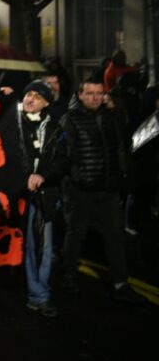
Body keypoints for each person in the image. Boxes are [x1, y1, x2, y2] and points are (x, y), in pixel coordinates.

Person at [59, 80, 144, 303]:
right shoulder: (70, 119)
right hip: (81, 190)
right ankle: (69, 277)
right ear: (80, 95)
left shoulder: (110, 117)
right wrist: (75, 180)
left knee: (115, 237)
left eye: (99, 93)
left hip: (108, 189)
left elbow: (120, 147)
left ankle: (120, 284)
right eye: (90, 93)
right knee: (76, 235)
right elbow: (63, 154)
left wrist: (122, 175)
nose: (95, 97)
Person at [13, 80, 68, 318]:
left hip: (42, 196)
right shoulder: (12, 122)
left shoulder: (55, 128)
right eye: (27, 94)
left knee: (41, 247)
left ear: (46, 102)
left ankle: (39, 296)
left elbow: (62, 162)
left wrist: (42, 176)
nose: (30, 99)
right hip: (15, 196)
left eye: (36, 96)